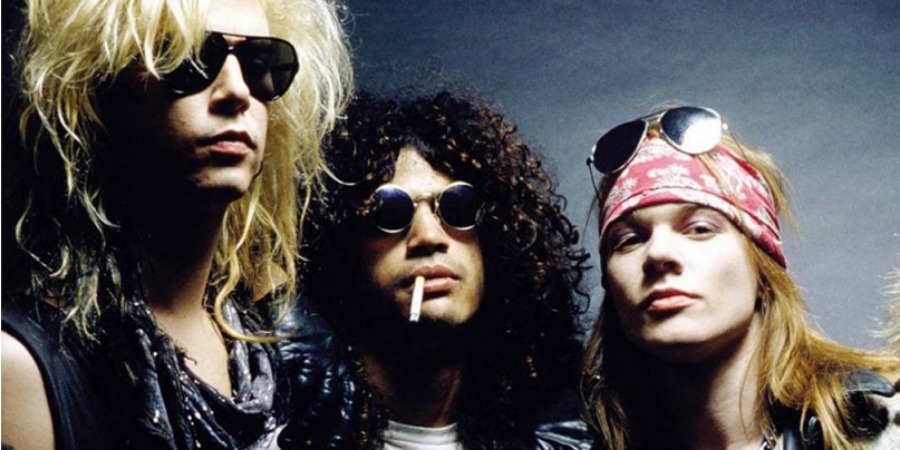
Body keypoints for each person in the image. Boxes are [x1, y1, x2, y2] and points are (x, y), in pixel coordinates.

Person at [1, 0, 351, 448]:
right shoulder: (23, 368)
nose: (236, 92)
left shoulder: (272, 350)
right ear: (101, 91)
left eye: (261, 63)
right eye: (188, 60)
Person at [581, 106, 900, 449]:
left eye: (700, 229)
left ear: (763, 270)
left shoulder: (881, 428)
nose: (658, 254)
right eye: (628, 240)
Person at [295, 91, 593, 449]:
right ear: (342, 248)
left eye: (458, 206)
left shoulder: (557, 438)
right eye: (389, 211)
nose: (429, 236)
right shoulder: (281, 427)